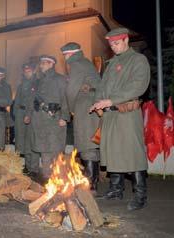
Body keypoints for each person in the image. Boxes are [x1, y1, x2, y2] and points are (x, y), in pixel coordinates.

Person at [90, 28, 150, 211]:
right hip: (110, 114)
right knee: (111, 151)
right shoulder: (111, 63)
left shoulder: (138, 60)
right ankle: (116, 188)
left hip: (127, 113)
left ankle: (140, 194)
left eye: (116, 43)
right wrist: (98, 102)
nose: (113, 47)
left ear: (125, 40)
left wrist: (111, 100)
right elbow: (101, 86)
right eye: (111, 44)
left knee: (133, 152)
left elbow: (138, 86)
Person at [60, 42, 101, 193]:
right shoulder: (85, 62)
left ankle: (89, 185)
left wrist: (71, 110)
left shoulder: (76, 64)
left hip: (84, 106)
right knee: (92, 145)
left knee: (86, 144)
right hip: (93, 105)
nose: (64, 58)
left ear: (70, 54)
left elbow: (71, 91)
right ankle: (93, 183)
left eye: (65, 55)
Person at [24, 55, 69, 182]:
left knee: (55, 149)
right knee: (44, 150)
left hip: (54, 119)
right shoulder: (38, 81)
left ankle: (58, 178)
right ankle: (47, 179)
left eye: (44, 63)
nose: (41, 65)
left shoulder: (60, 79)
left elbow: (65, 98)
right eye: (41, 63)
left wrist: (64, 117)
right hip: (39, 120)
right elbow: (32, 99)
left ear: (51, 64)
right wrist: (28, 114)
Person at [14, 63, 40, 176]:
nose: (26, 72)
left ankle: (33, 167)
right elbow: (17, 100)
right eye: (25, 71)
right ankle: (27, 165)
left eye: (28, 70)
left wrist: (29, 114)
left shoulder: (37, 83)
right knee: (21, 141)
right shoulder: (21, 85)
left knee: (31, 140)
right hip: (20, 114)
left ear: (34, 71)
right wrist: (15, 114)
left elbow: (33, 101)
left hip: (32, 114)